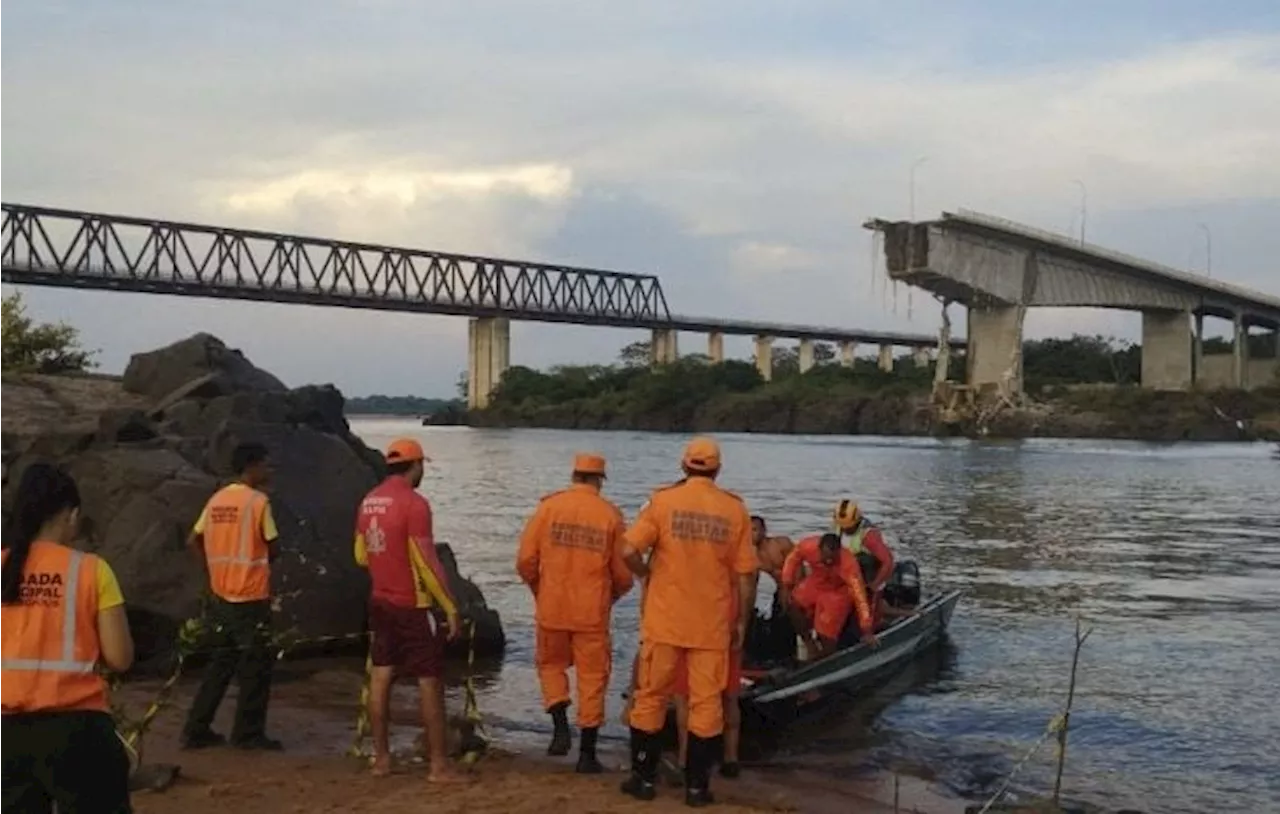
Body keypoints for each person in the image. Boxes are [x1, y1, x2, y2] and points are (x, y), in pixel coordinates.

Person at [620, 436, 757, 807]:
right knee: (706, 703)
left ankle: (643, 780)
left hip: (664, 621)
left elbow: (628, 549)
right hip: (711, 625)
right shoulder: (735, 510)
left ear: (684, 466)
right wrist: (741, 621)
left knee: (650, 696)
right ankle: (697, 789)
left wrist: (645, 572)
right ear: (717, 469)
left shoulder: (662, 502)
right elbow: (746, 575)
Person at [0, 462, 136, 814]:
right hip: (78, 729)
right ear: (71, 515)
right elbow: (120, 658)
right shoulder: (91, 569)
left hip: (6, 733)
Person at [354, 438, 466, 784]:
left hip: (380, 600)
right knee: (429, 680)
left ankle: (382, 760)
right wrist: (450, 607)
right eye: (422, 466)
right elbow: (427, 561)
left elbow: (360, 555)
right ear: (415, 466)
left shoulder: (369, 501)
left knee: (381, 675)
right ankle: (438, 766)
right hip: (412, 604)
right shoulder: (415, 504)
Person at [516, 452, 632, 773]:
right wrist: (610, 597)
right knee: (592, 679)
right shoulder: (610, 515)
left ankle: (559, 726)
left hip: (551, 607)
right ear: (599, 480)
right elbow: (623, 575)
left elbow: (525, 561)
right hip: (591, 613)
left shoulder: (548, 509)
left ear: (574, 475)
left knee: (550, 665)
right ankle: (587, 755)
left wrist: (540, 589)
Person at [182, 441, 283, 751]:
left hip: (221, 593)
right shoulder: (258, 503)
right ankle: (248, 734)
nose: (268, 469)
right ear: (251, 466)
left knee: (221, 662)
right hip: (250, 595)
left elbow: (192, 540)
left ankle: (197, 727)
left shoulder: (217, 500)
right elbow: (273, 546)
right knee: (256, 666)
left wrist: (212, 573)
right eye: (265, 464)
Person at [779, 532, 877, 660]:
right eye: (825, 557)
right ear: (819, 549)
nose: (829, 561)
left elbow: (860, 597)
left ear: (839, 552)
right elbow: (793, 558)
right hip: (817, 581)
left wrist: (867, 629)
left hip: (838, 590)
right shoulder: (807, 546)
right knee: (793, 602)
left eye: (833, 558)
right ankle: (809, 644)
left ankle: (827, 657)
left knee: (826, 630)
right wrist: (786, 584)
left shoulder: (849, 565)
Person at [833, 499, 895, 596]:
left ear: (857, 521)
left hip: (868, 576)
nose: (845, 529)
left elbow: (888, 562)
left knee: (860, 559)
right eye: (843, 527)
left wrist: (874, 586)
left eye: (848, 527)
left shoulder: (869, 535)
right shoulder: (839, 527)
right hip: (847, 574)